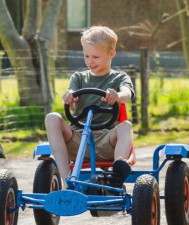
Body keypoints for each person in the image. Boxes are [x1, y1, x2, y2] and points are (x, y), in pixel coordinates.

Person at [44, 25, 134, 184]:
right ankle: (67, 180)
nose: (90, 61)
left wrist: (117, 95)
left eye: (95, 57)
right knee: (52, 118)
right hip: (78, 140)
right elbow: (71, 93)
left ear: (111, 53)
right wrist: (68, 98)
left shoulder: (119, 78)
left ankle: (115, 176)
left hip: (107, 140)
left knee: (126, 126)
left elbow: (127, 94)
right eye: (86, 56)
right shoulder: (78, 78)